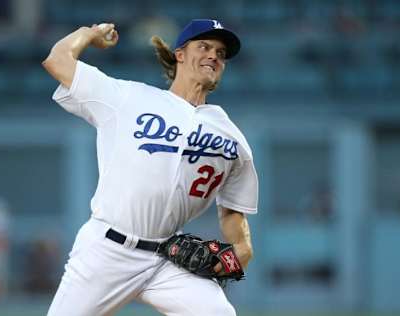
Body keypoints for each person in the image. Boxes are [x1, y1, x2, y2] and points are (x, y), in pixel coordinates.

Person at [42, 18, 258, 316]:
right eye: (204, 46)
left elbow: (235, 218)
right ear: (179, 54)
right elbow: (57, 60)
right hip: (107, 250)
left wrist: (236, 255)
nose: (214, 56)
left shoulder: (232, 138)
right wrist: (88, 34)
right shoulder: (128, 97)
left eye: (221, 53)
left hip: (168, 260)